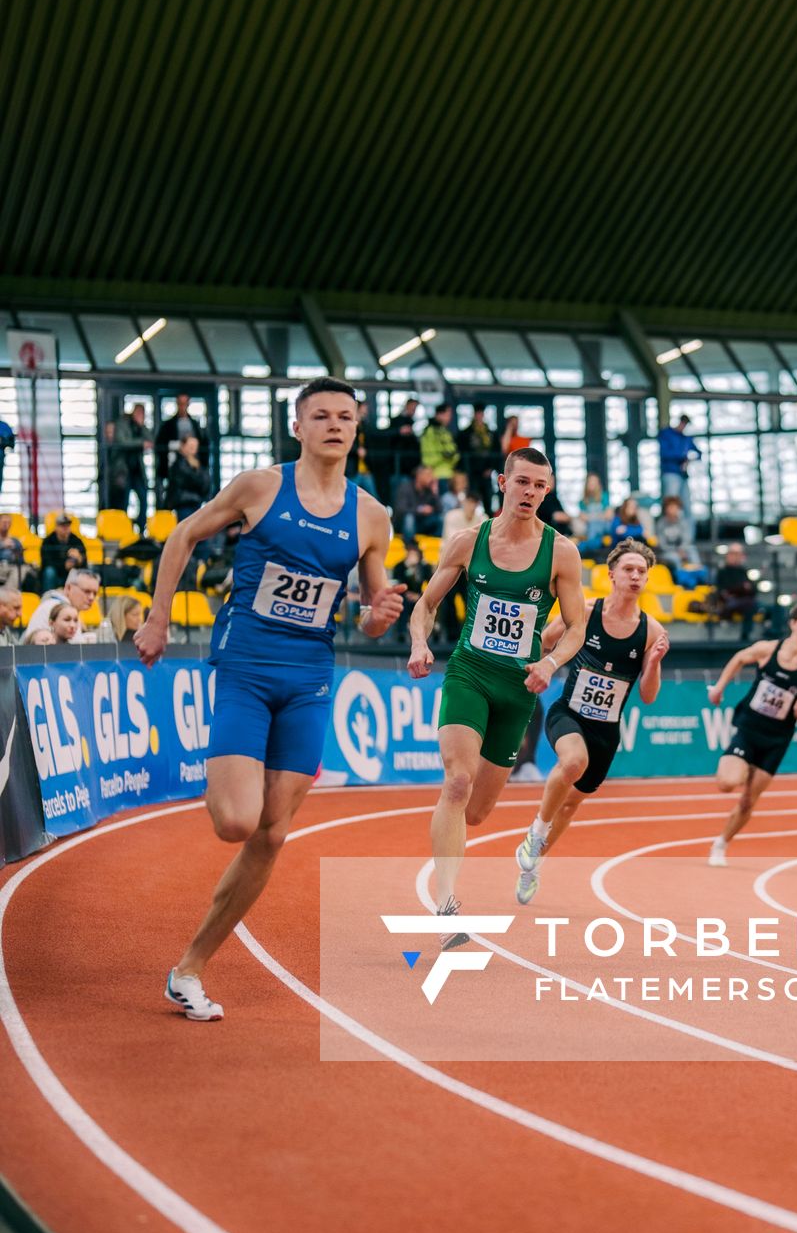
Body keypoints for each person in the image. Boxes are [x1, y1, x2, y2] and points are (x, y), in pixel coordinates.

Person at [134, 377, 404, 1023]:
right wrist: (158, 619)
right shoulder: (261, 486)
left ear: (356, 427)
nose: (335, 425)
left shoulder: (372, 517)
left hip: (309, 676)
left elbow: (368, 614)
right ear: (298, 427)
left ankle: (190, 968)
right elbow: (183, 537)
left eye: (346, 416)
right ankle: (232, 771)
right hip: (247, 665)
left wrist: (380, 617)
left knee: (274, 832)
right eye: (321, 416)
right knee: (236, 821)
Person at [407, 448, 587, 946]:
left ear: (547, 492)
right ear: (502, 482)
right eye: (522, 482)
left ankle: (448, 845)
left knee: (477, 811)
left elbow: (576, 627)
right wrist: (421, 643)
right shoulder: (469, 542)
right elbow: (425, 605)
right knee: (457, 782)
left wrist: (550, 663)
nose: (530, 493)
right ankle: (445, 906)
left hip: (519, 686)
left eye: (540, 486)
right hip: (470, 672)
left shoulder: (561, 552)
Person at [514, 542, 670, 903]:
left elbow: (647, 696)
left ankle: (533, 865)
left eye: (641, 572)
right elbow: (545, 641)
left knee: (571, 805)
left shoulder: (650, 631)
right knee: (572, 762)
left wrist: (655, 662)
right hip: (568, 712)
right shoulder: (584, 613)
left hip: (606, 731)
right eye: (628, 569)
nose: (635, 576)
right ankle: (536, 832)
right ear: (611, 574)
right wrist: (537, 668)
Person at [706, 604, 797, 864]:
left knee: (749, 800)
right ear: (793, 624)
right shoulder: (768, 649)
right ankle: (740, 764)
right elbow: (740, 658)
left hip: (776, 740)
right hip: (749, 728)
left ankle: (721, 843)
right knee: (727, 784)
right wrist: (719, 687)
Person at [25, 565, 110, 641]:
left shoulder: (59, 605)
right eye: (86, 591)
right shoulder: (55, 607)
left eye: (95, 593)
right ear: (69, 588)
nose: (92, 598)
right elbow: (75, 648)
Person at [155, 394, 207, 485]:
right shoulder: (168, 425)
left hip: (192, 464)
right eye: (180, 403)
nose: (182, 406)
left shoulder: (195, 425)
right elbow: (160, 443)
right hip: (175, 463)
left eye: (184, 403)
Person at [709, 542, 758, 638]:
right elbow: (724, 590)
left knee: (775, 608)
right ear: (728, 555)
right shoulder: (722, 571)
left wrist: (745, 589)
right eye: (734, 554)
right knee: (750, 603)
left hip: (745, 601)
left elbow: (753, 590)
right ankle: (745, 636)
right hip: (730, 603)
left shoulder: (743, 571)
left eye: (739, 554)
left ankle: (773, 633)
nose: (737, 557)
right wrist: (742, 588)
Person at [116, 402, 153, 522]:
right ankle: (124, 528)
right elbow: (123, 442)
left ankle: (142, 529)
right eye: (138, 412)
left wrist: (141, 426)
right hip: (124, 469)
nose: (139, 415)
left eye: (142, 413)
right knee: (124, 501)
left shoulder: (141, 427)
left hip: (138, 470)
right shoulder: (122, 424)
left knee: (143, 498)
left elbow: (151, 441)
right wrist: (140, 444)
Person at [163, 432, 210, 525]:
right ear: (183, 446)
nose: (193, 450)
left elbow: (206, 483)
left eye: (195, 446)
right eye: (191, 446)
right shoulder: (178, 465)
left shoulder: (198, 464)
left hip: (196, 504)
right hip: (184, 505)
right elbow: (192, 481)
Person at [658, 414, 701, 516]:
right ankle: (666, 531)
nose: (683, 426)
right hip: (670, 473)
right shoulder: (667, 434)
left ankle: (688, 532)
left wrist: (689, 459)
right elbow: (664, 454)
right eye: (683, 423)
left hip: (683, 475)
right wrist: (682, 457)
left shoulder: (686, 439)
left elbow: (698, 453)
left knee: (687, 507)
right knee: (670, 504)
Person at [653, 495, 702, 584]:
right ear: (666, 509)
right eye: (671, 507)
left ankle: (699, 577)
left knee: (692, 551)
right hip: (667, 552)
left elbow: (687, 539)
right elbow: (662, 544)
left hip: (682, 549)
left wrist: (682, 549)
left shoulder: (683, 522)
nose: (673, 509)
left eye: (676, 507)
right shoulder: (661, 524)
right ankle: (682, 580)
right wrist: (676, 551)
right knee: (674, 558)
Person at [458, 408, 500, 510]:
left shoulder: (490, 433)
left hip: (486, 472)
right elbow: (463, 450)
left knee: (487, 500)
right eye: (477, 414)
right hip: (472, 472)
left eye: (481, 414)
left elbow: (496, 451)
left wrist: (491, 468)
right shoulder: (466, 433)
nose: (479, 416)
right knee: (472, 498)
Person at [394, 464, 443, 544]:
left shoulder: (430, 490)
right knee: (409, 517)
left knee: (440, 518)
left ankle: (434, 545)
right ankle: (410, 546)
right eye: (428, 475)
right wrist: (420, 510)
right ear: (419, 475)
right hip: (404, 526)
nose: (431, 478)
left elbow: (440, 509)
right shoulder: (405, 487)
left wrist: (435, 492)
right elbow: (400, 509)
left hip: (422, 523)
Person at [40, 511, 86, 590]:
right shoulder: (48, 541)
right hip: (55, 574)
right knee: (49, 572)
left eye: (68, 525)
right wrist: (64, 565)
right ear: (56, 527)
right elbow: (46, 562)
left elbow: (84, 560)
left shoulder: (76, 540)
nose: (66, 528)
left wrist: (79, 559)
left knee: (82, 572)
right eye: (62, 525)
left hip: (71, 574)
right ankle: (48, 598)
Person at [573, 473, 611, 556]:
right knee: (593, 526)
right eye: (590, 482)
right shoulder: (583, 501)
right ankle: (594, 548)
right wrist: (599, 516)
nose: (592, 484)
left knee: (594, 525)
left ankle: (582, 548)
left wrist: (591, 517)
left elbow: (608, 515)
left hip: (603, 525)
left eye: (594, 482)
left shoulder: (604, 496)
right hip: (591, 526)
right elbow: (583, 517)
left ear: (598, 484)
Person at [421, 403, 460, 479]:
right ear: (439, 414)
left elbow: (455, 454)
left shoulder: (446, 432)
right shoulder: (430, 431)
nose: (450, 417)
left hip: (449, 474)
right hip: (436, 476)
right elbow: (428, 458)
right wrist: (445, 457)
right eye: (447, 414)